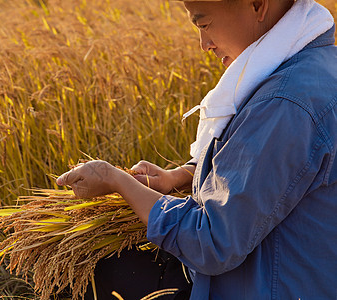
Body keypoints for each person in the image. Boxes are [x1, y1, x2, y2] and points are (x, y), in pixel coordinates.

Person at [57, 0, 337, 298]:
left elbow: (213, 242)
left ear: (257, 5)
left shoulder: (284, 105)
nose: (204, 44)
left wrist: (116, 180)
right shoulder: (318, 66)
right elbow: (274, 172)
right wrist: (180, 175)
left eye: (204, 25)